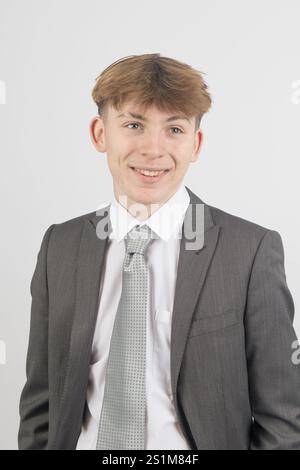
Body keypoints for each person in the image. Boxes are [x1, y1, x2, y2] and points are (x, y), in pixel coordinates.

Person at [18, 53, 300, 450]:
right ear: (100, 134)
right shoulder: (59, 247)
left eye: (174, 129)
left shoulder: (249, 251)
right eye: (134, 125)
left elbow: (283, 419)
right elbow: (40, 402)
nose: (153, 149)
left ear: (196, 143)